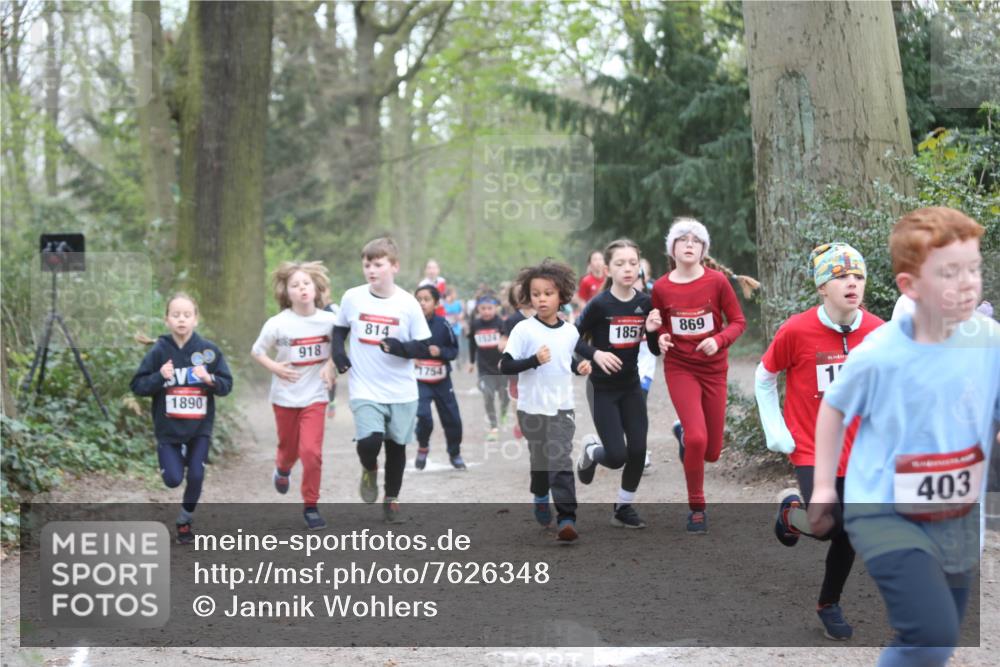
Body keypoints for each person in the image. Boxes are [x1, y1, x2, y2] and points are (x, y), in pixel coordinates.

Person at [808, 207, 1000, 666]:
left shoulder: (989, 338)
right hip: (886, 512)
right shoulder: (881, 351)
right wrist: (820, 488)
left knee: (939, 639)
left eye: (973, 269)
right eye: (949, 273)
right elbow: (833, 408)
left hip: (956, 518)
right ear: (910, 287)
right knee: (931, 633)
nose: (967, 282)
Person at [755, 242, 885, 640]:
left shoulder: (878, 331)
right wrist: (776, 431)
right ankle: (793, 512)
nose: (852, 283)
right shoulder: (796, 330)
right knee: (828, 525)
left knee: (851, 530)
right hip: (812, 446)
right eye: (841, 277)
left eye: (858, 276)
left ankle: (828, 604)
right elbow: (764, 376)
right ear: (821, 288)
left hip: (858, 448)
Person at [650, 217, 747, 533]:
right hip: (681, 368)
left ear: (703, 249)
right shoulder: (662, 287)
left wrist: (718, 340)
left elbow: (737, 322)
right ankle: (697, 508)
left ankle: (684, 435)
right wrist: (662, 336)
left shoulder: (717, 282)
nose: (689, 243)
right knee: (697, 437)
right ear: (673, 248)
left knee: (713, 452)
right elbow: (661, 324)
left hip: (714, 369)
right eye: (682, 239)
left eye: (695, 240)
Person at [332, 237, 432, 524]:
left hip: (401, 389)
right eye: (367, 265)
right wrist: (339, 356)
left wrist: (400, 348)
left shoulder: (408, 303)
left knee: (397, 446)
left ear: (394, 266)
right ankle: (369, 468)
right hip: (364, 386)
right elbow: (339, 331)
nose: (371, 270)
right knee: (370, 441)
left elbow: (424, 347)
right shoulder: (353, 297)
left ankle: (392, 498)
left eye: (378, 264)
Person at [500, 260, 592, 542]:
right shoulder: (523, 331)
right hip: (531, 409)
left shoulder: (570, 332)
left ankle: (567, 518)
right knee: (540, 461)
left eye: (548, 293)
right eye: (536, 293)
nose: (542, 298)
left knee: (560, 460)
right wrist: (533, 361)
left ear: (561, 296)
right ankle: (540, 494)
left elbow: (567, 363)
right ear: (529, 296)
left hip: (562, 408)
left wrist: (580, 368)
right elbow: (505, 366)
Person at [131, 293, 234, 544]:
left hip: (199, 427)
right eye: (176, 315)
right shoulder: (159, 351)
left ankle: (185, 520)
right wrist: (160, 377)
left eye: (187, 315)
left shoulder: (208, 351)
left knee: (196, 475)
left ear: (195, 319)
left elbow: (226, 385)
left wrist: (210, 380)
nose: (181, 320)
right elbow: (138, 385)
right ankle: (174, 461)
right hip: (168, 429)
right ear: (167, 319)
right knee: (173, 480)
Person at [574, 239, 663, 529]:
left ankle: (623, 508)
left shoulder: (645, 303)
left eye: (633, 263)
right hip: (602, 389)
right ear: (608, 269)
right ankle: (590, 451)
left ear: (639, 267)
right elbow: (571, 339)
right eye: (620, 263)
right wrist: (596, 354)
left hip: (630, 386)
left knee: (637, 450)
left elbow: (654, 349)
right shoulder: (599, 305)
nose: (628, 269)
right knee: (616, 457)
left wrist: (651, 332)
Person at [252, 262, 338, 530]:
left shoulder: (330, 321)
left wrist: (330, 363)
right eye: (295, 285)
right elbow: (257, 351)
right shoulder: (278, 324)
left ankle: (311, 506)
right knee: (289, 450)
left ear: (316, 288)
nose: (302, 289)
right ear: (286, 293)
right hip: (285, 397)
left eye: (306, 283)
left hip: (315, 395)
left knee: (310, 451)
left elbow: (342, 346)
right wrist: (275, 367)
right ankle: (283, 467)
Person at [413, 284, 465, 470]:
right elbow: (401, 348)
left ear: (436, 303)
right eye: (418, 299)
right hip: (420, 381)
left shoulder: (443, 325)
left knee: (452, 418)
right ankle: (423, 446)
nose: (422, 303)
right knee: (423, 416)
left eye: (426, 299)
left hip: (442, 380)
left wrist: (440, 351)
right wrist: (411, 358)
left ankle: (454, 453)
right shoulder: (410, 324)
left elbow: (454, 350)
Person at [468, 293, 509, 440]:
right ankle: (493, 427)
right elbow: (472, 344)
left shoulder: (501, 324)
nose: (486, 311)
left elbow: (509, 344)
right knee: (488, 395)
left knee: (505, 396)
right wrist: (472, 362)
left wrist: (507, 359)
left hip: (502, 368)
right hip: (484, 369)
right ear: (478, 309)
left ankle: (504, 411)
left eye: (489, 308)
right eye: (483, 308)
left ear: (496, 308)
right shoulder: (475, 324)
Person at [321, 288, 341, 419]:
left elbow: (342, 328)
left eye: (323, 290)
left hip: (331, 347)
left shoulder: (334, 308)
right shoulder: (313, 308)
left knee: (331, 375)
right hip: (318, 347)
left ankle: (332, 401)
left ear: (328, 291)